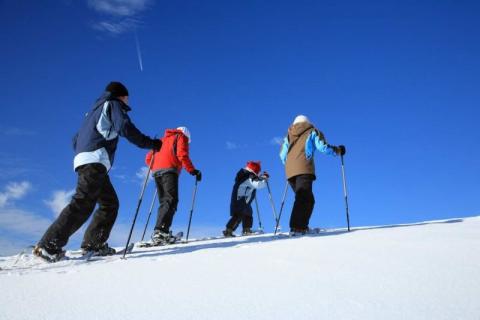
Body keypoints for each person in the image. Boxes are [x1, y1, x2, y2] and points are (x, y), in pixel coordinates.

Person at [33, 82, 162, 262]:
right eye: (127, 96)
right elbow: (125, 127)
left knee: (110, 203)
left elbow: (75, 139)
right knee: (83, 202)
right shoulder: (113, 104)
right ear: (120, 95)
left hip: (87, 160)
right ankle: (49, 245)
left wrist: (84, 152)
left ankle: (94, 243)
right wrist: (151, 143)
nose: (128, 100)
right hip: (95, 160)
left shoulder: (92, 112)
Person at [279, 115, 345, 235]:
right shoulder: (312, 131)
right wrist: (337, 150)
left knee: (304, 198)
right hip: (304, 168)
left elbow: (282, 155)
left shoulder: (288, 135)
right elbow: (322, 147)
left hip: (289, 172)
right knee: (304, 198)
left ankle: (300, 226)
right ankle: (297, 227)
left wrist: (291, 165)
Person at [145, 126, 201, 245]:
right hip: (169, 170)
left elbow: (149, 157)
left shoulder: (162, 139)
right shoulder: (181, 137)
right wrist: (192, 170)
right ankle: (160, 231)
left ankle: (160, 230)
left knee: (164, 201)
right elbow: (182, 155)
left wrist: (155, 167)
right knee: (171, 200)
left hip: (156, 172)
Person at [223, 161, 269, 237]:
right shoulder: (249, 176)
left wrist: (259, 178)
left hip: (243, 200)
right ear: (255, 170)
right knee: (238, 215)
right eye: (258, 171)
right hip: (240, 199)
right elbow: (258, 184)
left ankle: (246, 230)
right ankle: (229, 230)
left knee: (248, 213)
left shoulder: (246, 175)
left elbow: (254, 182)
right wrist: (264, 179)